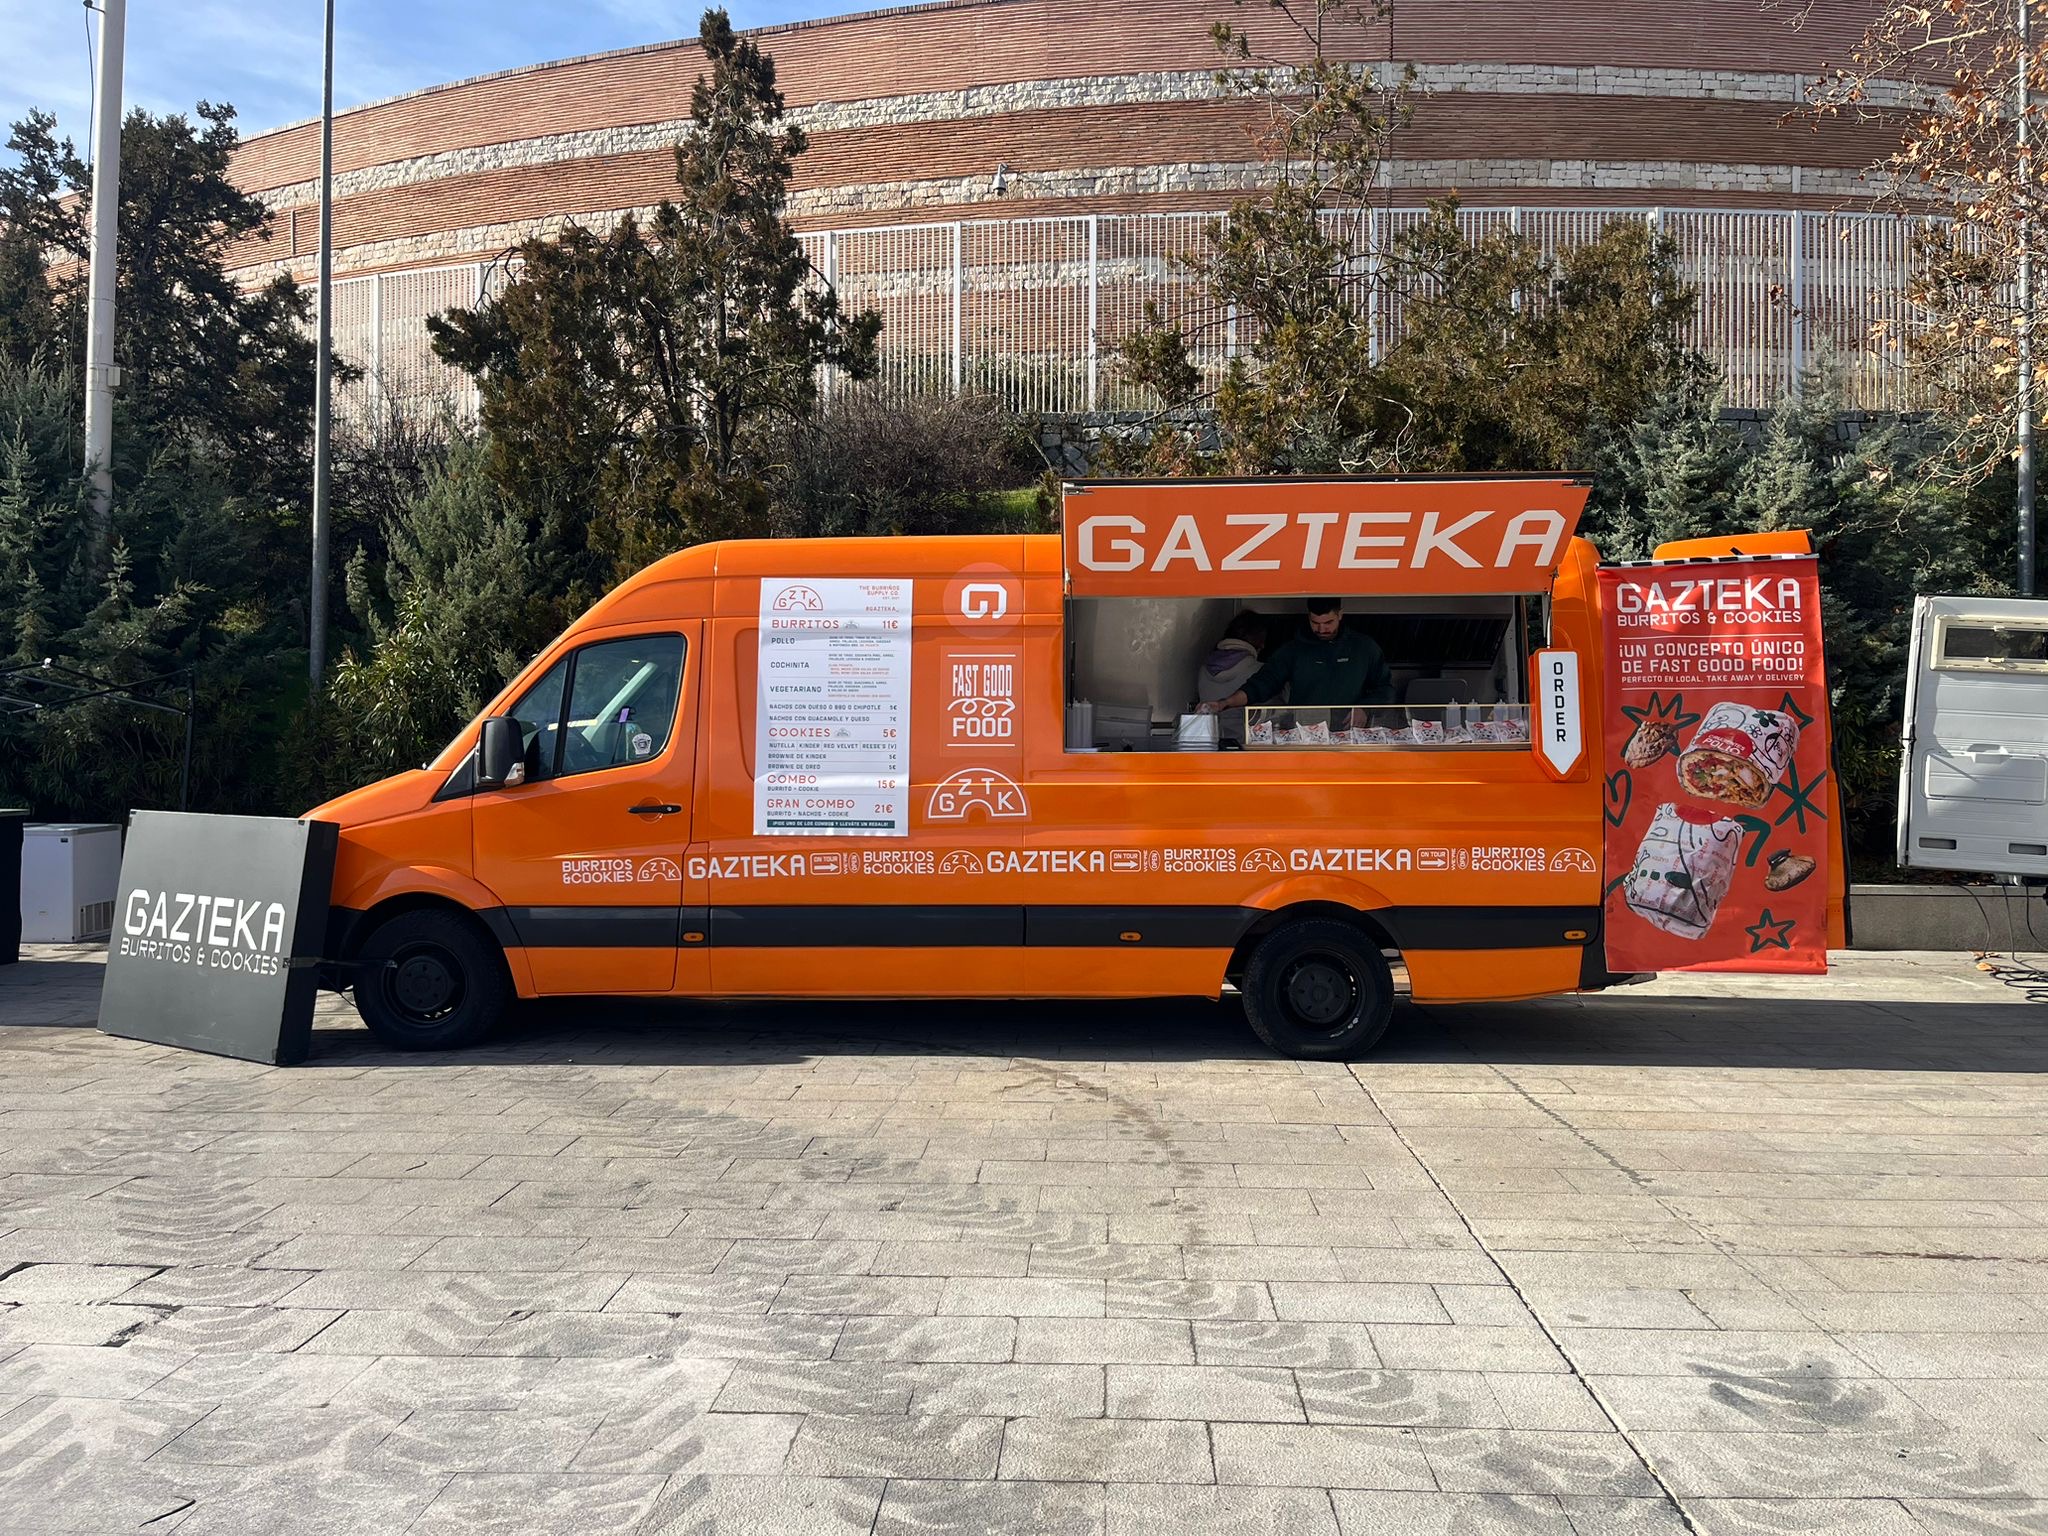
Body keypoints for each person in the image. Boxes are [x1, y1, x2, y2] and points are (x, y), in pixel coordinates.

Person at [1198, 597, 1394, 726]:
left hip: (1350, 737)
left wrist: (1365, 709)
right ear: (1308, 617)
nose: (1321, 629)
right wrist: (1225, 703)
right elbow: (1261, 684)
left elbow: (1385, 689)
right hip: (1304, 736)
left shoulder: (1364, 648)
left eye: (1328, 623)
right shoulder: (1293, 650)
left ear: (1340, 615)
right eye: (1315, 623)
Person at [1195, 611, 1267, 742]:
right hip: (1245, 746)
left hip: (1209, 743)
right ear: (1259, 641)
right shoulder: (1261, 671)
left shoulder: (1202, 669)